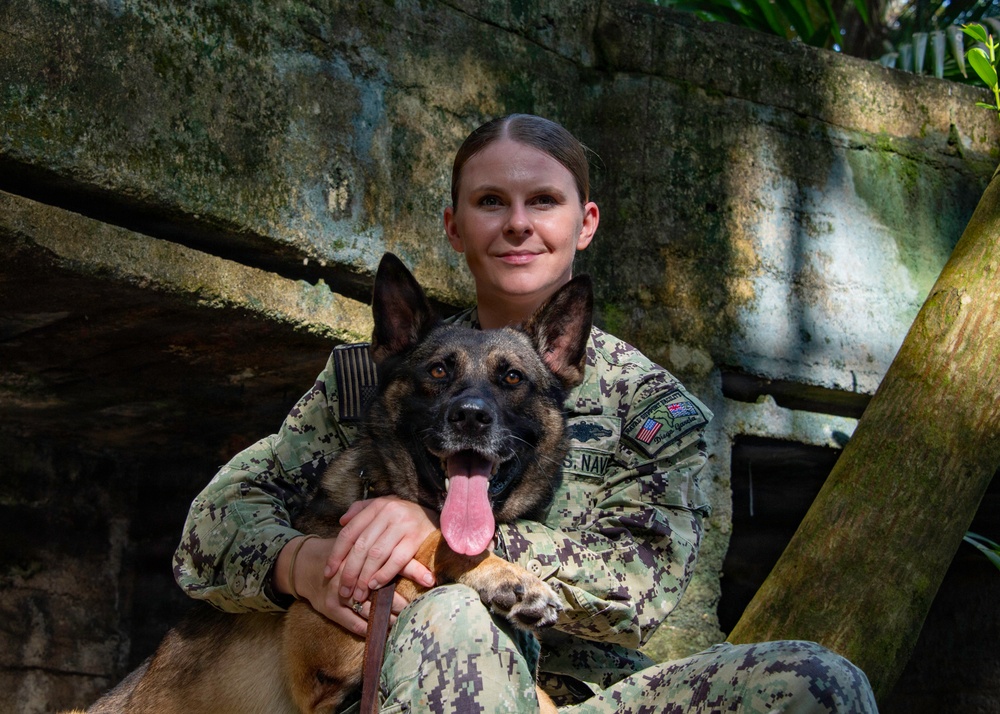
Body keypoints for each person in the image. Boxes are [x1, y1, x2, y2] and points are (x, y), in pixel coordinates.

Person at [173, 114, 878, 712]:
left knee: (820, 682)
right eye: (490, 202)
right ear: (454, 226)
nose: (517, 224)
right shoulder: (376, 382)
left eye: (542, 200)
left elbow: (638, 591)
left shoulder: (651, 406)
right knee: (450, 617)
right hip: (420, 678)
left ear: (585, 222)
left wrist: (442, 544)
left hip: (582, 700)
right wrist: (303, 562)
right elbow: (210, 527)